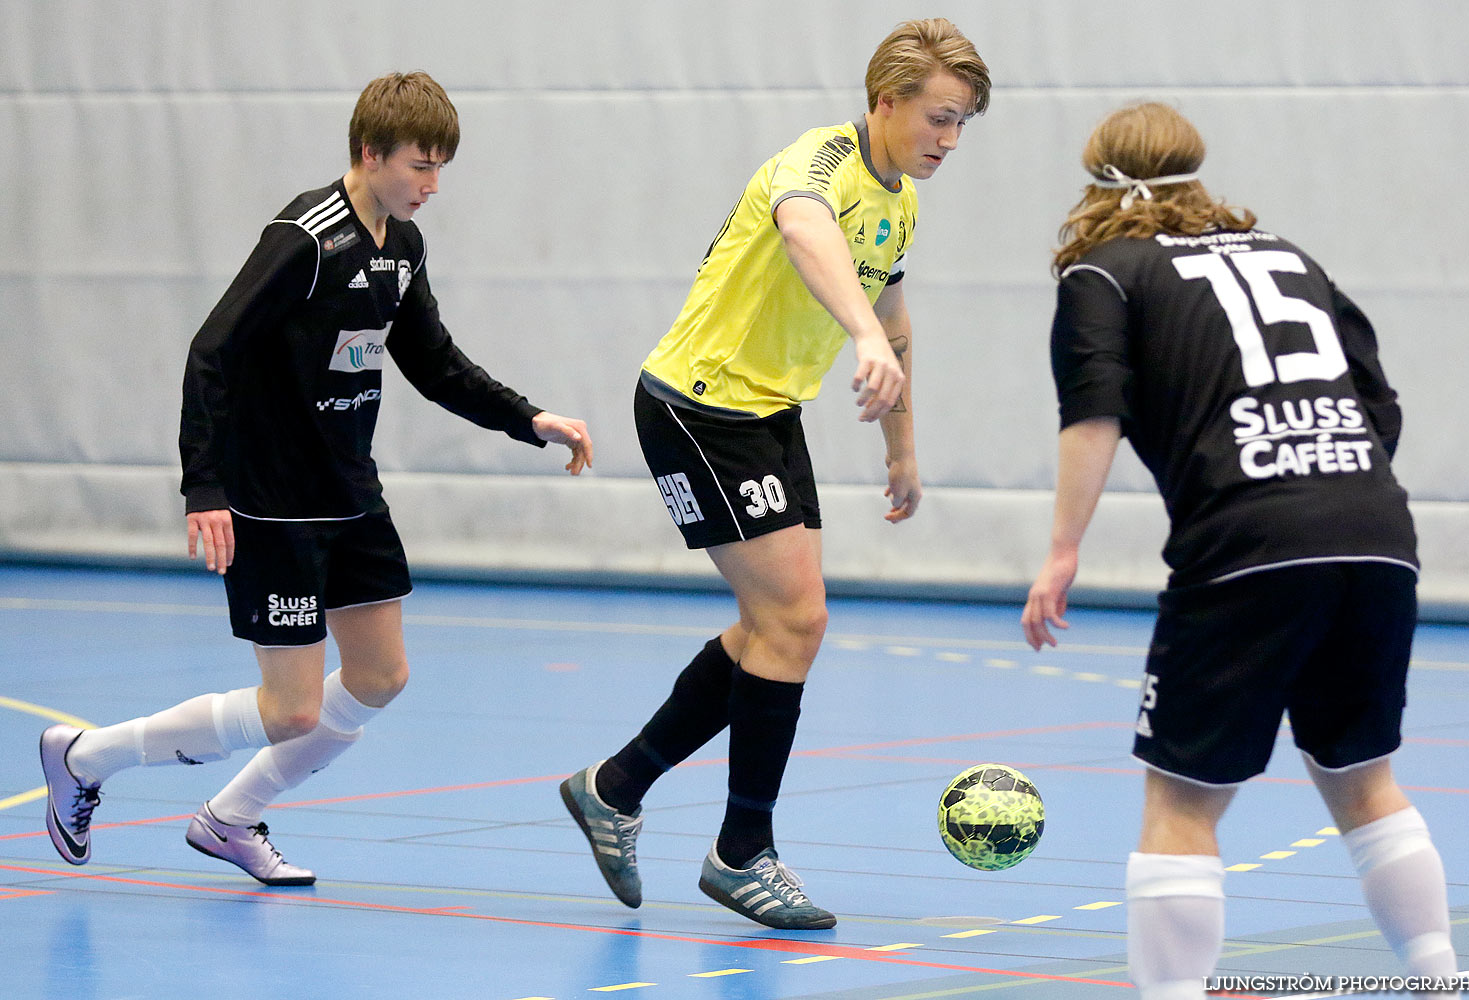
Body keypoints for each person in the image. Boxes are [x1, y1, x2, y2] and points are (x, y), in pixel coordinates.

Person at [39, 71, 593, 886]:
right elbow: (212, 352)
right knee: (291, 709)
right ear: (370, 154)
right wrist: (205, 487)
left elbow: (433, 364)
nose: (432, 186)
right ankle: (85, 757)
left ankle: (228, 819)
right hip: (273, 502)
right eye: (419, 166)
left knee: (378, 678)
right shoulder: (305, 239)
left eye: (441, 168)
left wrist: (529, 419)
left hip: (350, 493)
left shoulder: (402, 246)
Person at [558, 18, 990, 930]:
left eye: (963, 125)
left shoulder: (900, 199)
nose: (950, 140)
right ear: (887, 101)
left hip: (766, 413)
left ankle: (616, 786)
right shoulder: (817, 163)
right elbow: (804, 233)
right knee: (796, 620)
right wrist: (864, 337)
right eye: (940, 119)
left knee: (773, 626)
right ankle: (741, 850)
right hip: (699, 408)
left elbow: (894, 314)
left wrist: (902, 446)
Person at [1021, 102, 1458, 998]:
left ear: (1096, 174)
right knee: (1362, 777)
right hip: (1376, 528)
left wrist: (1062, 550)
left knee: (1179, 801)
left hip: (1246, 542)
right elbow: (1380, 405)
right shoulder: (1291, 257)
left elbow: (1092, 413)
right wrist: (1333, 501)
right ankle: (1439, 978)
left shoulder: (1105, 275)